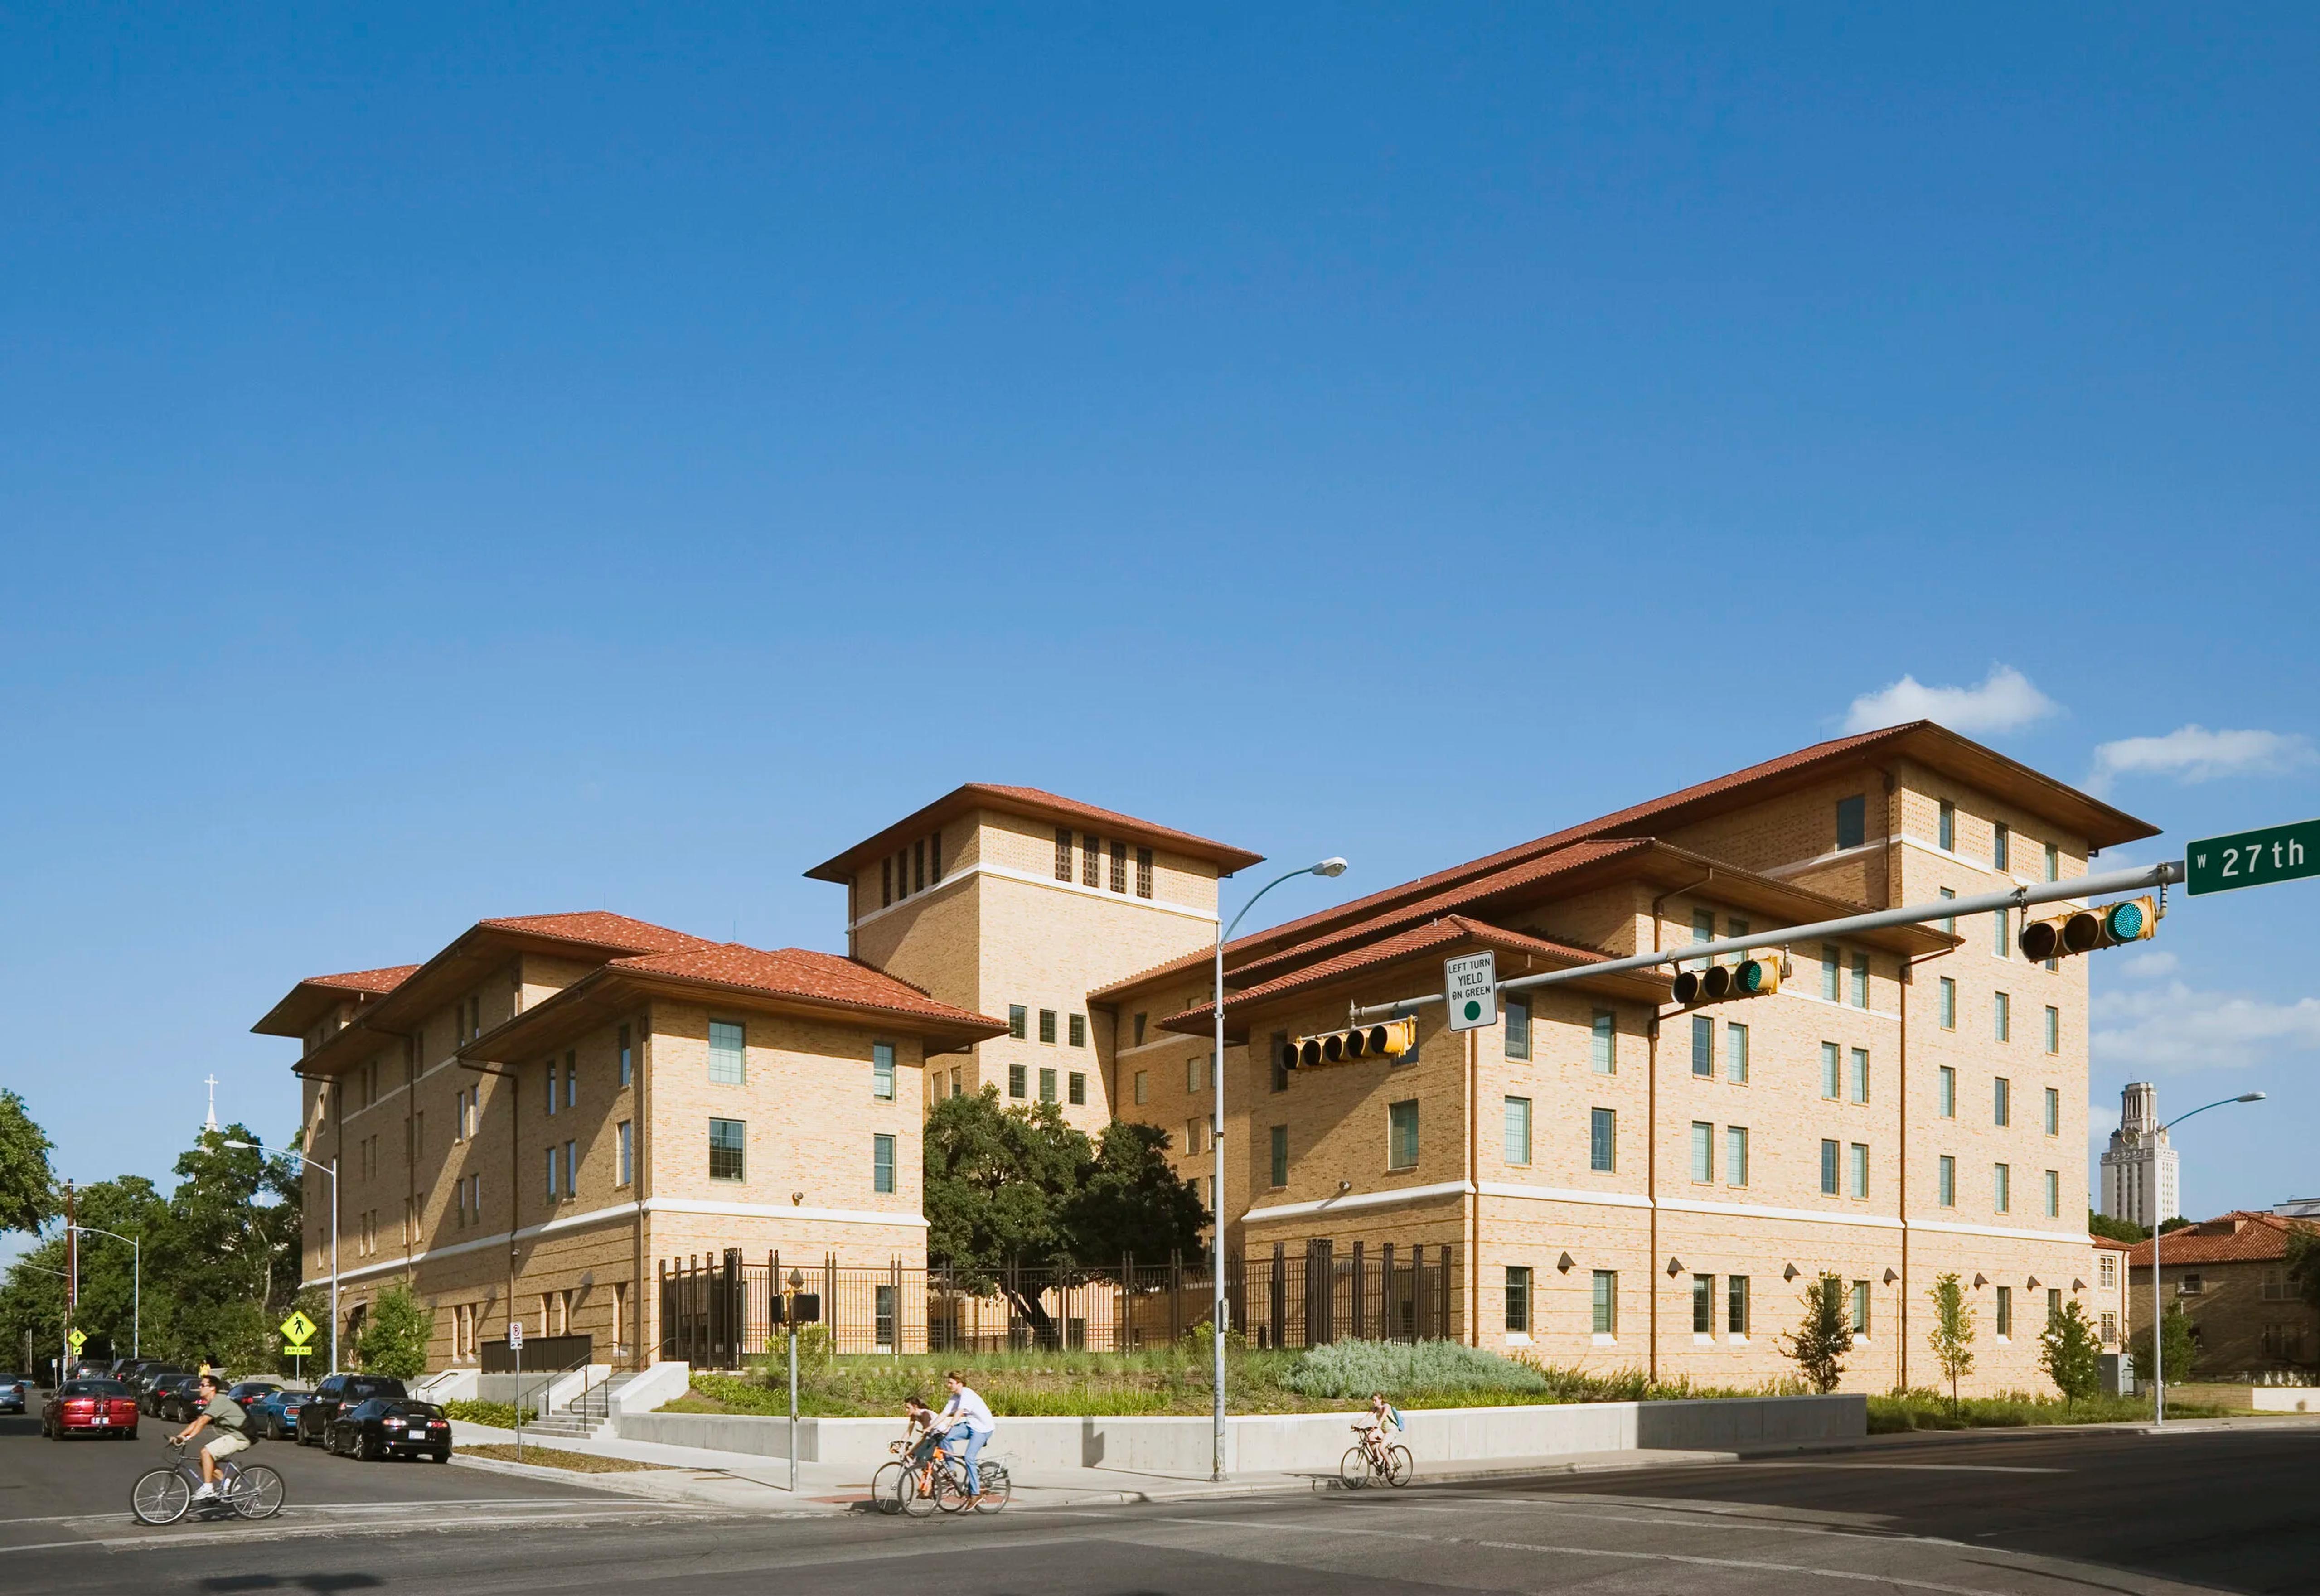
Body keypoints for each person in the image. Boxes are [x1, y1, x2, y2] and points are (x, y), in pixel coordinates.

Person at [172, 1372, 252, 1502]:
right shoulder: (213, 1402)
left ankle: (208, 1488)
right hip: (234, 1435)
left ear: (212, 1388)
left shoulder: (219, 1401)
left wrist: (188, 1438)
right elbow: (198, 1421)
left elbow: (204, 1422)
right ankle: (228, 1485)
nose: (200, 1388)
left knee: (206, 1452)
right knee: (204, 1461)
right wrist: (180, 1436)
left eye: (203, 1385)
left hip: (241, 1436)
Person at [933, 1372, 995, 1499]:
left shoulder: (967, 1394)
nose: (948, 1385)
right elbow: (944, 1413)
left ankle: (975, 1494)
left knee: (969, 1458)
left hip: (983, 1429)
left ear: (959, 1383)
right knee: (945, 1437)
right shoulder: (955, 1397)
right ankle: (951, 1471)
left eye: (951, 1383)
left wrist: (950, 1425)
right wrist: (930, 1428)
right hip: (971, 1425)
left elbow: (959, 1412)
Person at [1355, 1391, 1402, 1461]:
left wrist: (1378, 1425)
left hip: (1392, 1431)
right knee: (1369, 1437)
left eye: (1375, 1400)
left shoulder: (1387, 1407)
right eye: (1373, 1401)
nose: (1374, 1402)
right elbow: (1367, 1417)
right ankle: (1375, 1457)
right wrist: (1357, 1425)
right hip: (1383, 1431)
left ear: (1381, 1400)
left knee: (1381, 1448)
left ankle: (1391, 1466)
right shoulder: (1375, 1409)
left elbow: (1383, 1417)